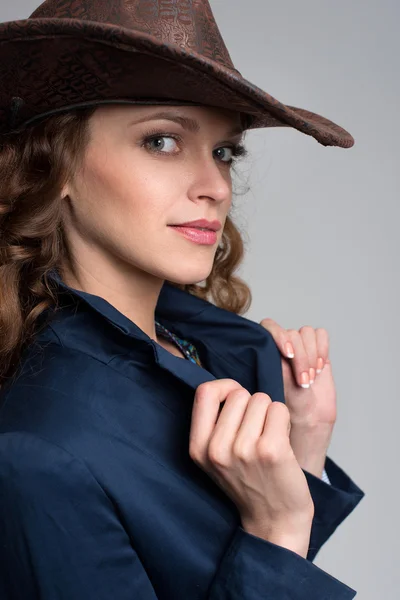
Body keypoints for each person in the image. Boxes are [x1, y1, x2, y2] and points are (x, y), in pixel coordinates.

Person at [0, 1, 365, 598]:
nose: (216, 186)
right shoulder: (39, 454)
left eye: (224, 151)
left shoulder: (210, 352)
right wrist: (276, 527)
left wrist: (304, 447)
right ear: (55, 163)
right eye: (163, 140)